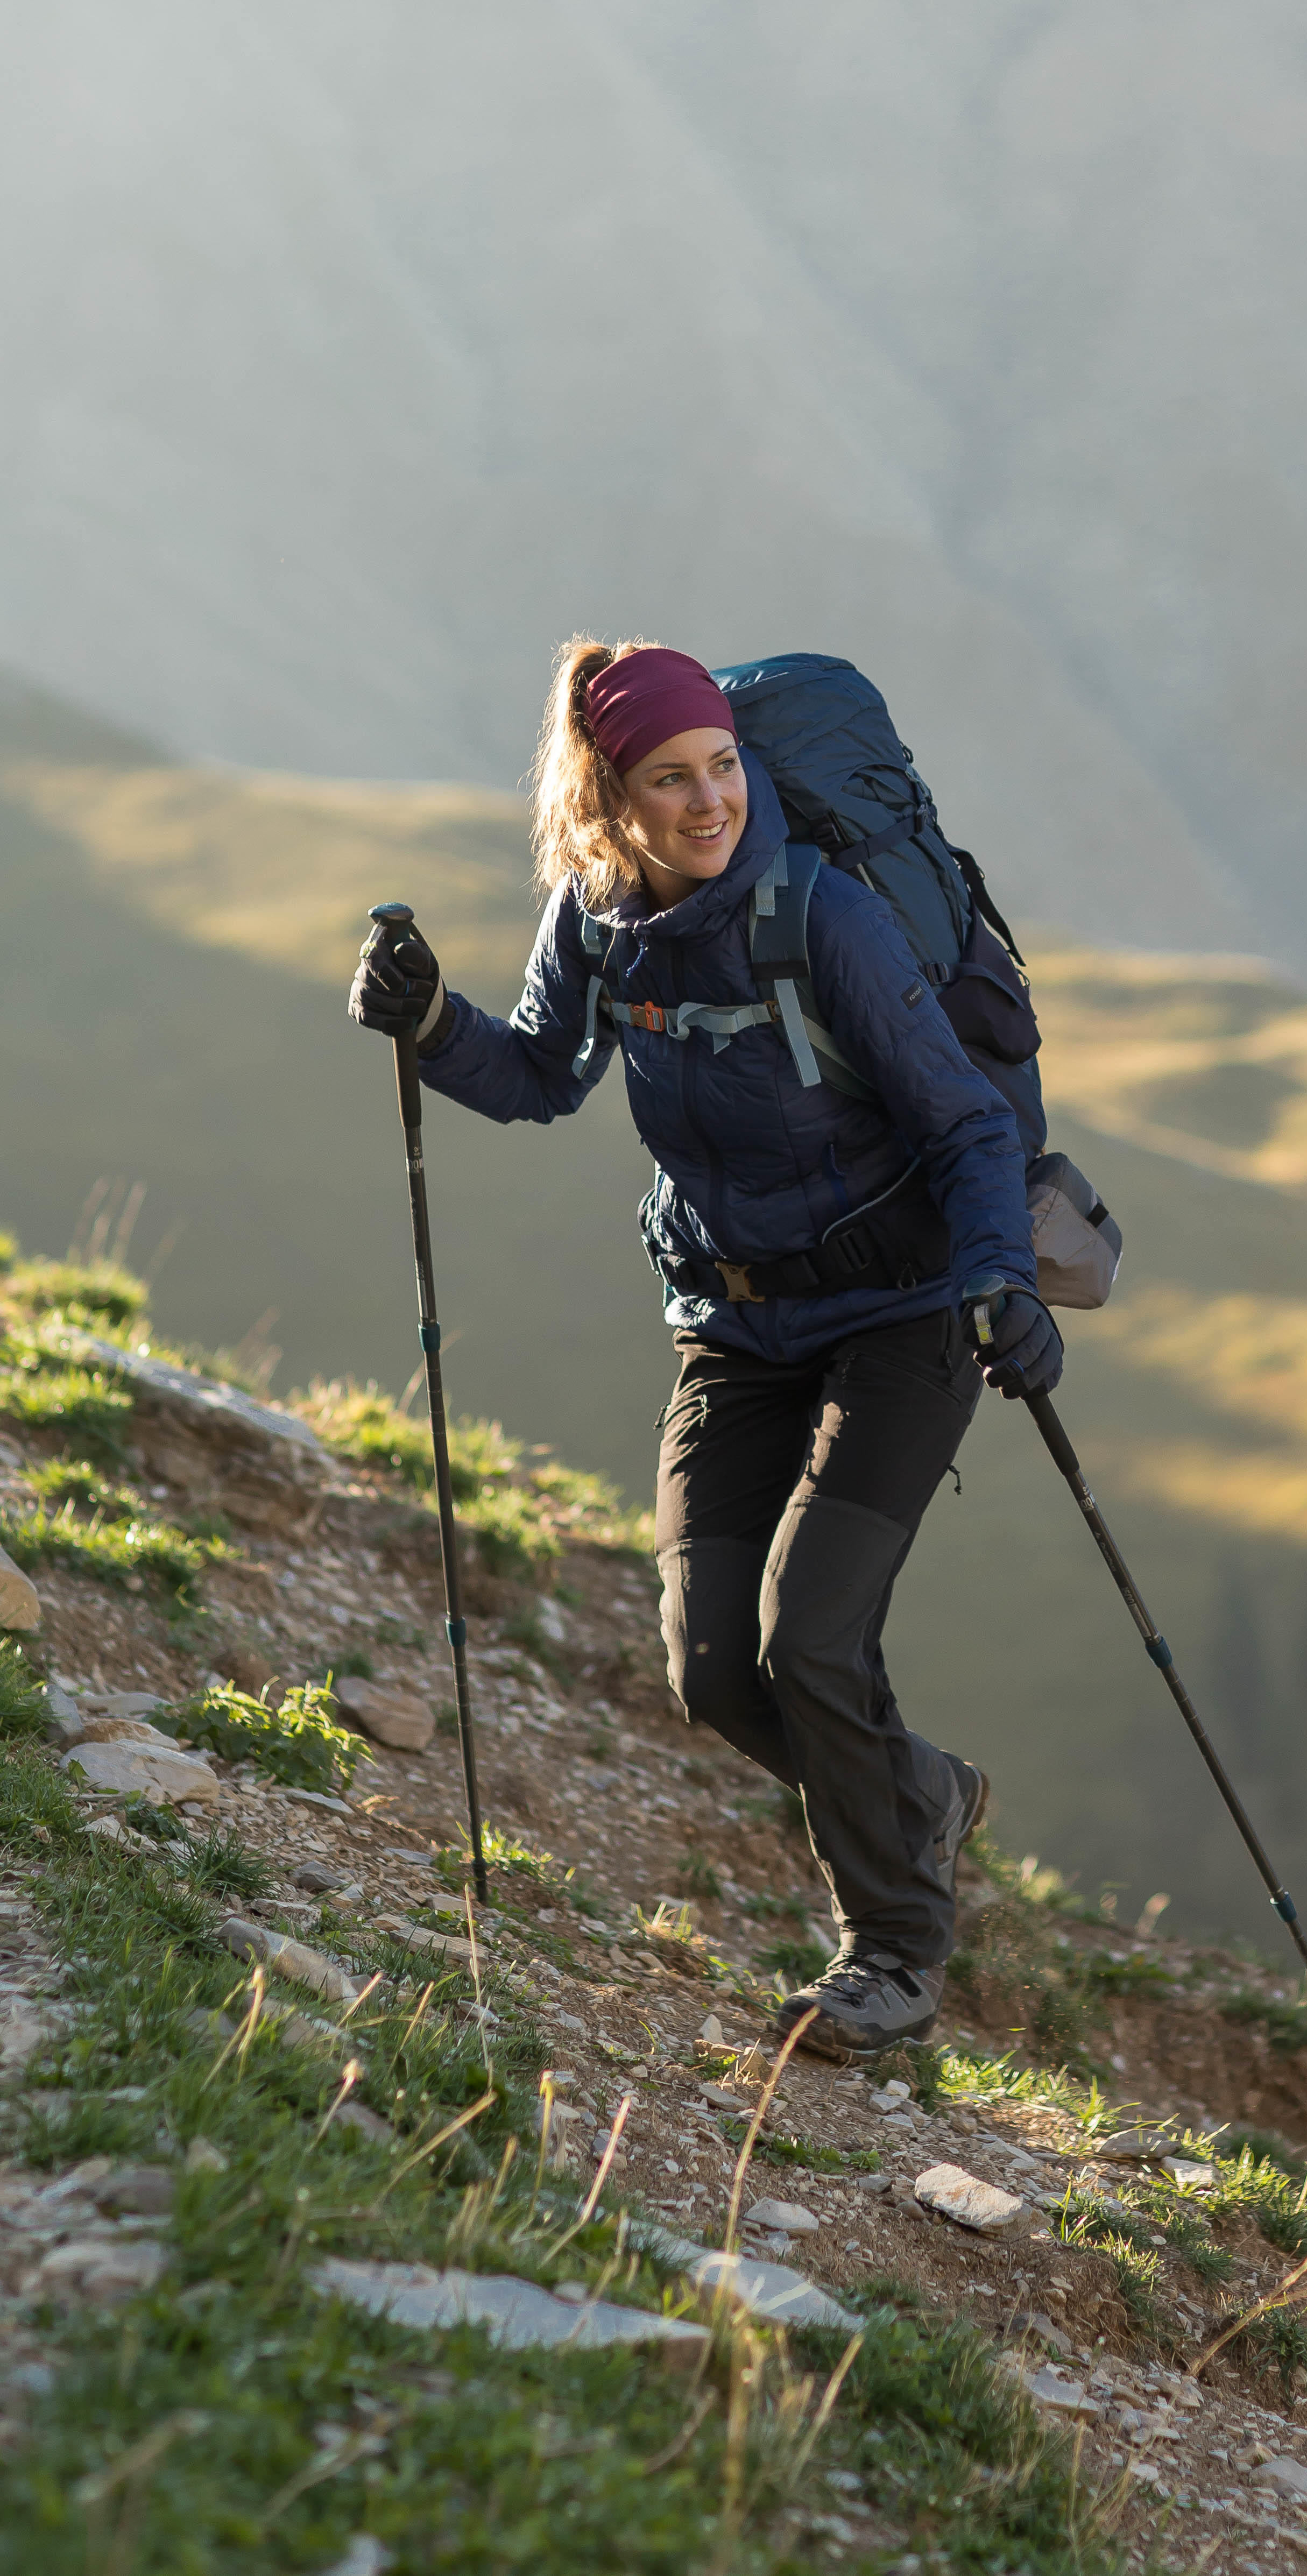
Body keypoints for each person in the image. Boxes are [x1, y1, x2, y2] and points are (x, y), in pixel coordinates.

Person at [348, 636, 1062, 2056]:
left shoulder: (823, 917)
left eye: (722, 767)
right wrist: (428, 1019)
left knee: (810, 1633)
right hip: (737, 1322)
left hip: (908, 1307)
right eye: (669, 779)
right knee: (712, 1671)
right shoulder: (598, 919)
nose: (708, 801)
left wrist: (1001, 1279)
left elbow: (969, 1121)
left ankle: (896, 1952)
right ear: (609, 802)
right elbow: (540, 1075)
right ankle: (917, 1792)